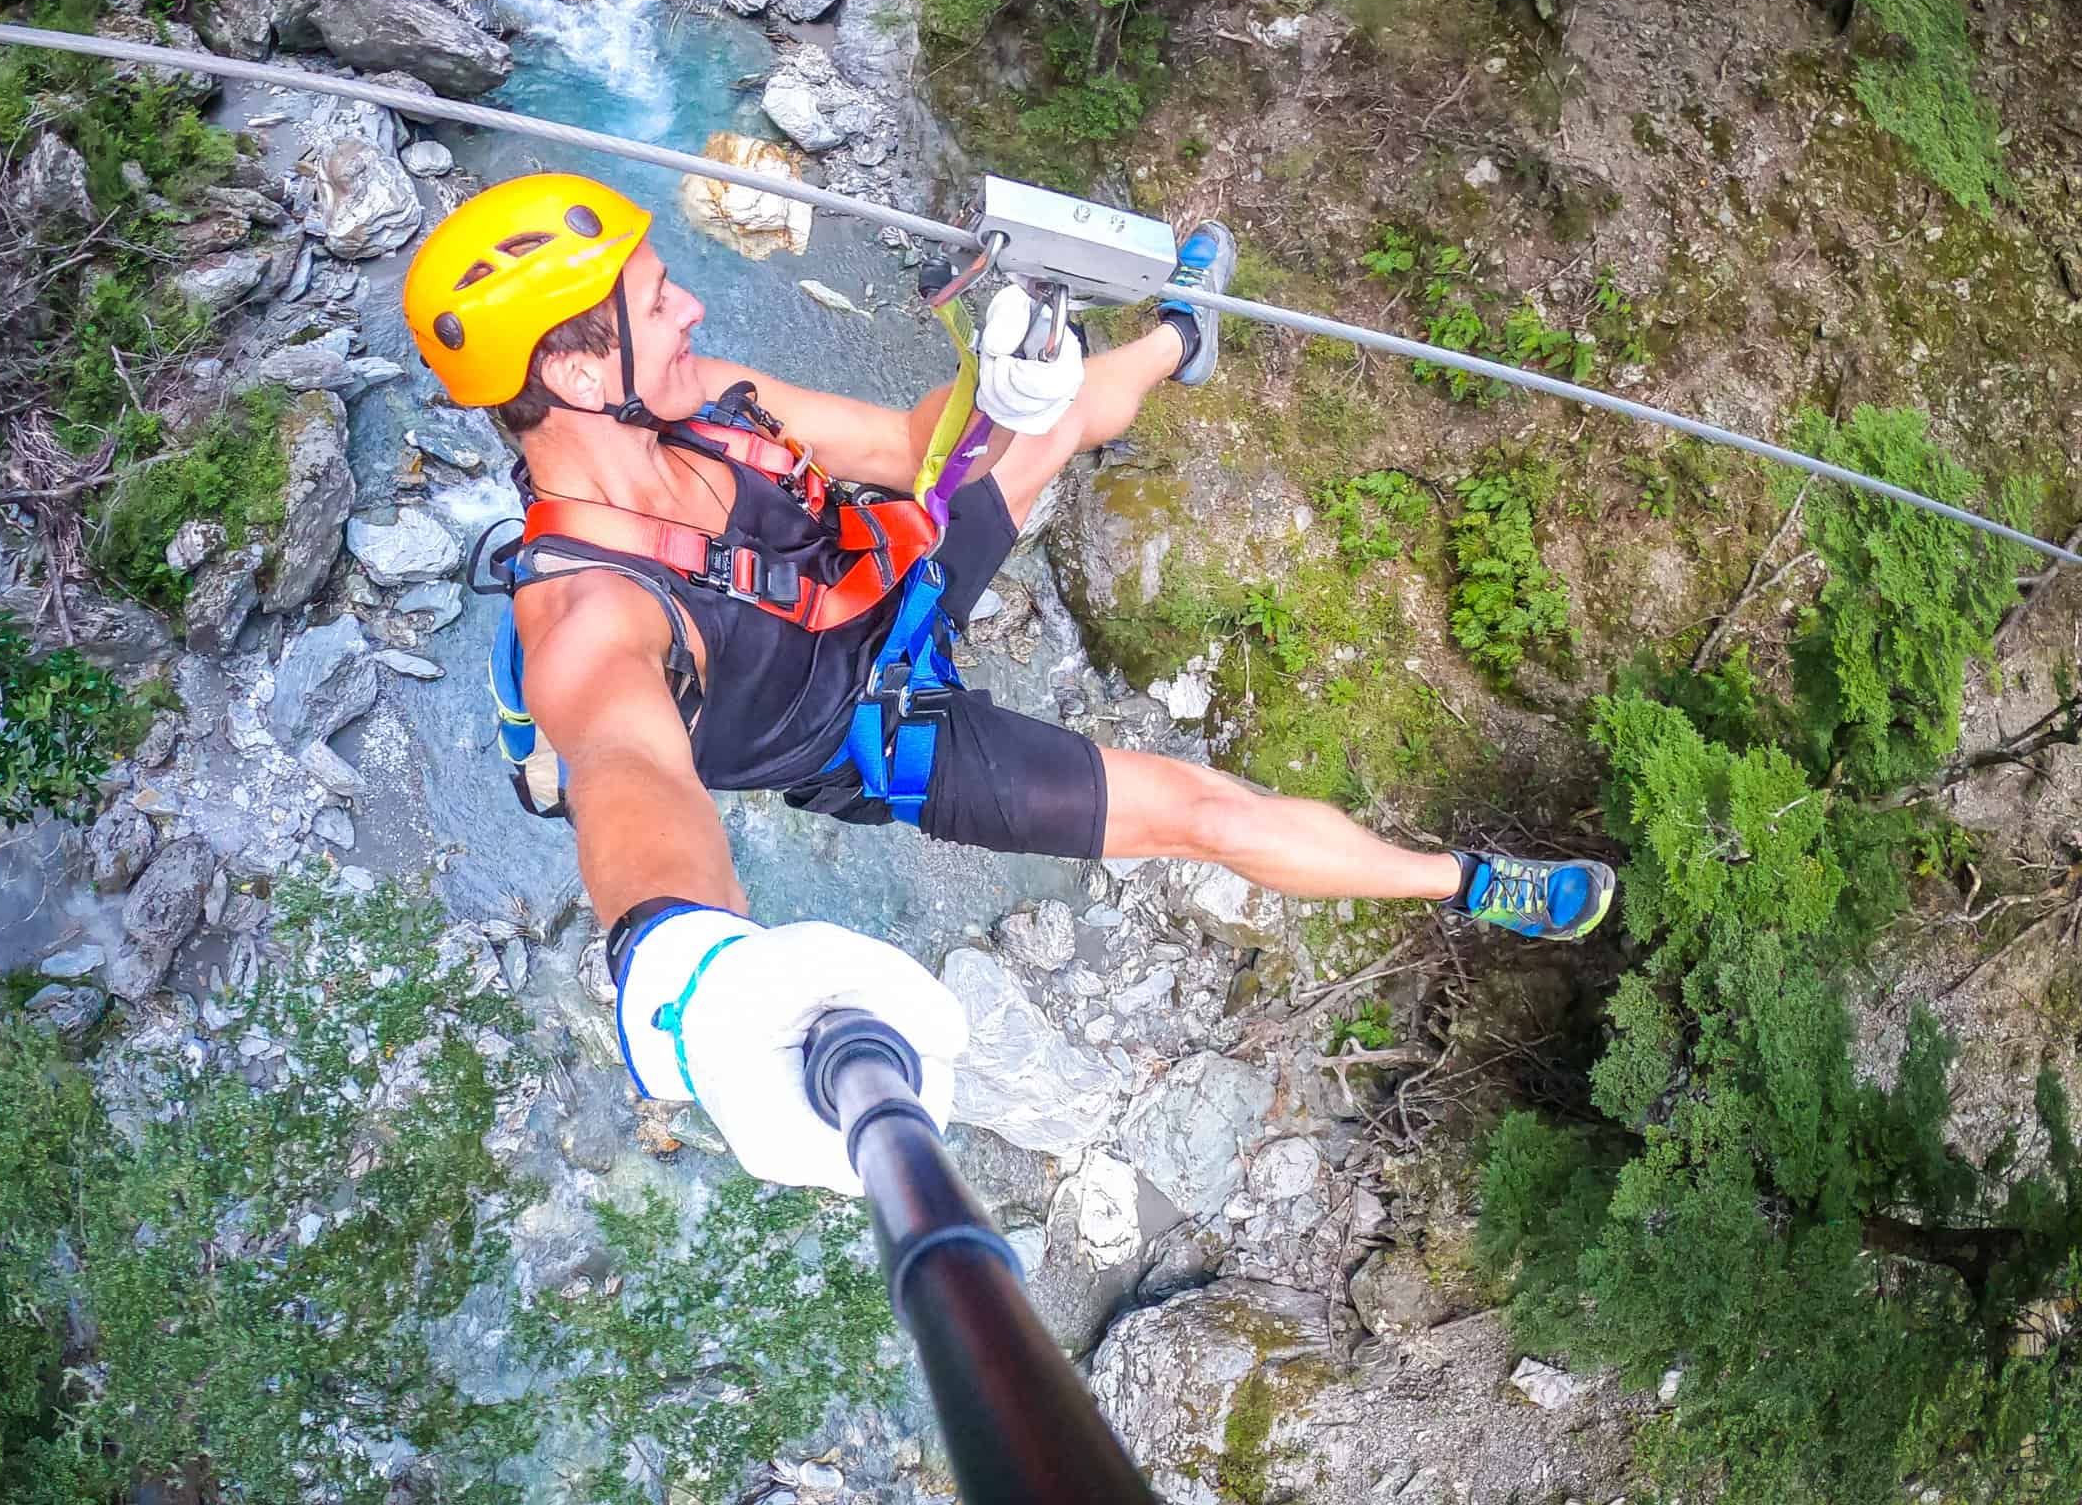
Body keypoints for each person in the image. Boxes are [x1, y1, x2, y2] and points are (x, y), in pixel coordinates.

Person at [402, 173, 1613, 1193]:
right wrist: (683, 959)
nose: (694, 307)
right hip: (878, 739)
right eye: (659, 302)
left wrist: (1004, 382)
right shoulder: (587, 615)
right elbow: (631, 780)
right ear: (571, 372)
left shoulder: (708, 403)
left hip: (888, 580)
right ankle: (1465, 882)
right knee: (1201, 813)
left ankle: (1180, 336)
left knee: (1062, 418)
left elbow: (906, 445)